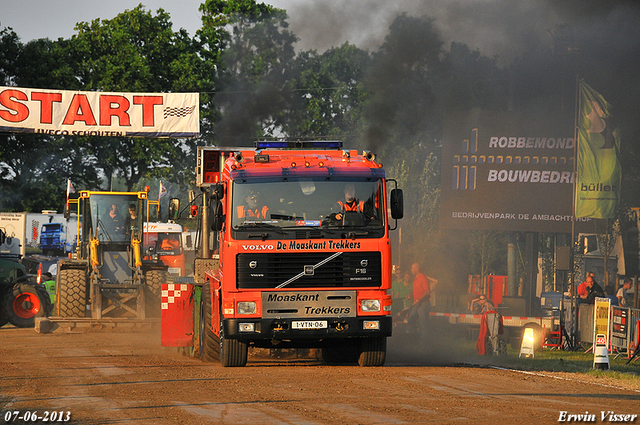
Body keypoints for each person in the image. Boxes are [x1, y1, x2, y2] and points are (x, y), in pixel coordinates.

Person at [407, 262, 431, 345]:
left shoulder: (422, 278)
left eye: (412, 268)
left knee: (423, 324)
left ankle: (425, 343)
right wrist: (411, 295)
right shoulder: (415, 278)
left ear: (417, 269)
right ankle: (415, 340)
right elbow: (418, 291)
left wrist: (417, 300)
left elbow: (427, 291)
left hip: (423, 304)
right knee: (410, 321)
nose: (411, 270)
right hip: (417, 304)